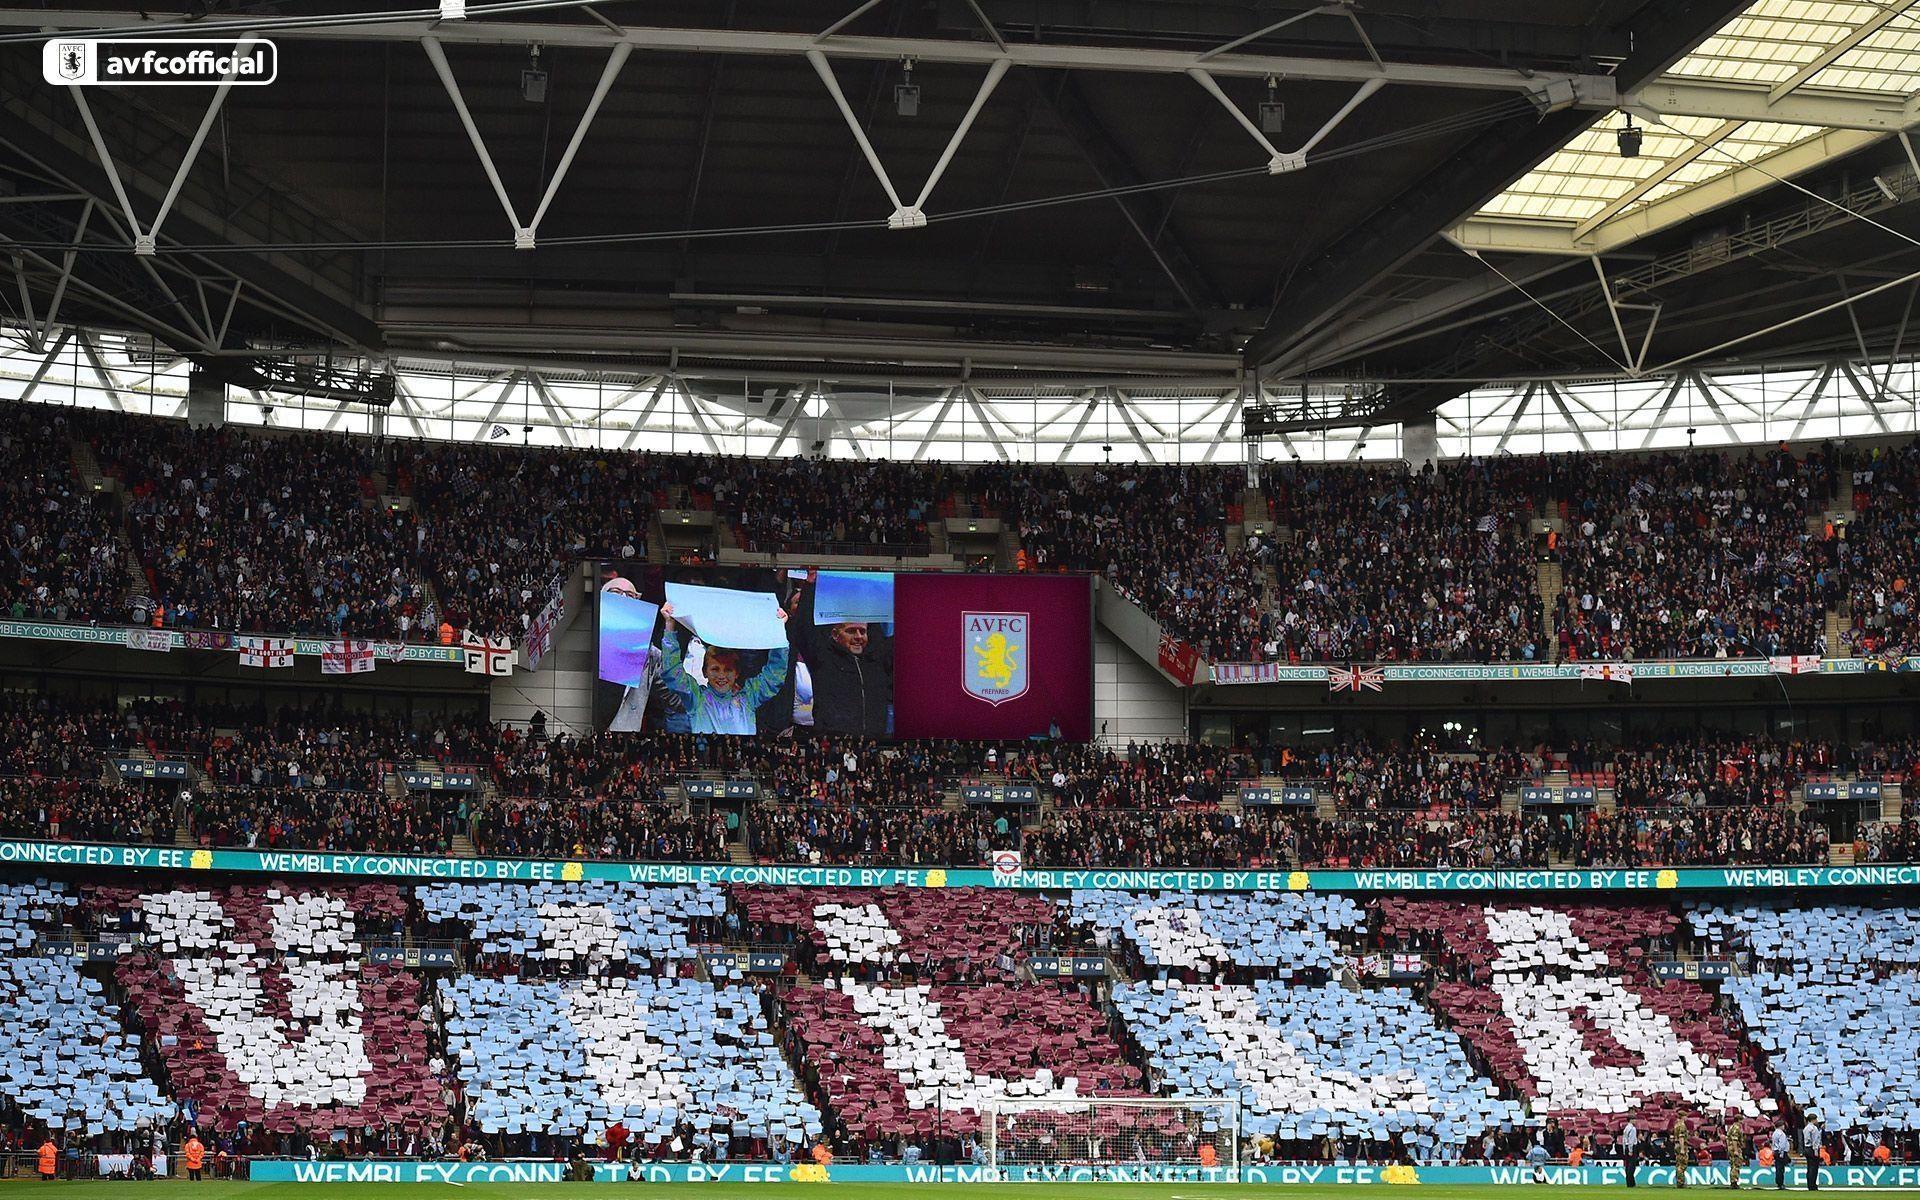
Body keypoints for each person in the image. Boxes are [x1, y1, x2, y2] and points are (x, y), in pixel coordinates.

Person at [785, 571, 892, 736]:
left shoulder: (877, 659)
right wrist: (811, 586)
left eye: (862, 631)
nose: (858, 636)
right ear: (835, 635)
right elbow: (803, 631)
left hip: (873, 741)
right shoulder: (824, 659)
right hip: (834, 742)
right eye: (851, 631)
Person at [657, 602, 789, 736]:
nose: (721, 675)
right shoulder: (697, 697)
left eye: (728, 670)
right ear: (704, 672)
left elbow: (774, 676)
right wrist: (670, 625)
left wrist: (779, 631)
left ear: (737, 673)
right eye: (715, 669)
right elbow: (673, 672)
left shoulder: (749, 696)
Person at [1801, 1113, 1823, 1192]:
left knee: (1809, 1167)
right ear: (1813, 1120)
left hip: (1806, 1148)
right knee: (1814, 1168)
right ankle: (1813, 1185)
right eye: (1816, 1119)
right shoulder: (1814, 1128)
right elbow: (1815, 1140)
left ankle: (1809, 1184)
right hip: (1812, 1149)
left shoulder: (1806, 1128)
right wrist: (1816, 1151)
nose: (1817, 1121)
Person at [1726, 1114, 1747, 1190]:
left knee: (1733, 1164)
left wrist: (1728, 1147)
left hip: (1731, 1147)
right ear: (1739, 1120)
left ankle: (1733, 1181)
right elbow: (1735, 1139)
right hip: (1736, 1147)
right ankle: (1734, 1182)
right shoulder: (1736, 1128)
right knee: (1736, 1164)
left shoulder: (1731, 1127)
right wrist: (1735, 1150)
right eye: (1742, 1120)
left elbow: (1727, 1138)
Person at [1769, 1125, 1791, 1190]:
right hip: (1781, 1152)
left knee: (1778, 1168)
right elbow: (1782, 1144)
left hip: (1776, 1151)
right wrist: (1781, 1153)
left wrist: (1773, 1151)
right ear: (1781, 1126)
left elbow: (1773, 1143)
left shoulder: (1774, 1133)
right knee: (1781, 1169)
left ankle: (1779, 1182)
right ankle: (1781, 1183)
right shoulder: (1781, 1134)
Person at [1623, 1119, 1642, 1188]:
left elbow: (1624, 1140)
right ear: (1631, 1120)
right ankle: (1631, 1183)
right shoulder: (1633, 1129)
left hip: (1627, 1147)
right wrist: (1631, 1150)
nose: (1635, 1121)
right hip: (1632, 1147)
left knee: (1627, 1165)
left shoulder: (1626, 1128)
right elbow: (1631, 1140)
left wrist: (1625, 1149)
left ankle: (1629, 1182)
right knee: (1632, 1166)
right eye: (1634, 1119)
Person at [1674, 1115, 1690, 1188]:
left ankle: (1678, 1181)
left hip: (1676, 1145)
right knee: (1682, 1164)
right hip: (1681, 1146)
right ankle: (1681, 1182)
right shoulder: (1682, 1125)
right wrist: (1682, 1148)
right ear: (1683, 1117)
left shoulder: (1676, 1125)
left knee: (1678, 1164)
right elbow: (1681, 1137)